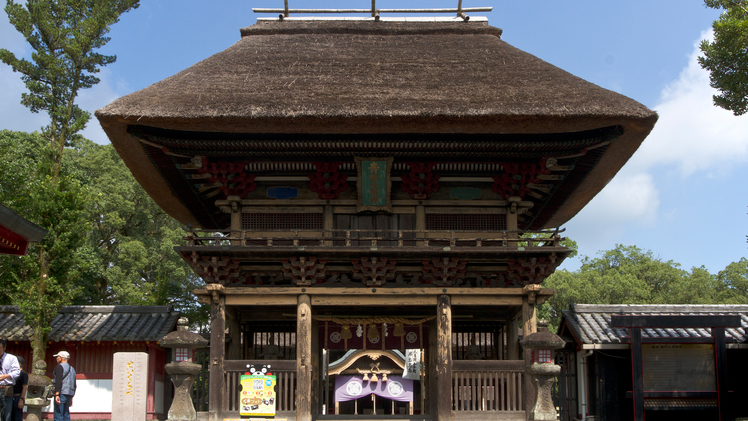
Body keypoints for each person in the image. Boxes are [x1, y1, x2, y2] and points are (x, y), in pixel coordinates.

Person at [52, 351, 76, 421]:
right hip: (69, 393)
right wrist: (72, 397)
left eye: (57, 357)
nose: (56, 358)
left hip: (61, 393)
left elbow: (58, 381)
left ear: (61, 358)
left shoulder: (59, 367)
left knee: (58, 414)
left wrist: (57, 394)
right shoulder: (72, 369)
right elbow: (74, 384)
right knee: (66, 414)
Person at [0, 339, 20, 421]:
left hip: (6, 389)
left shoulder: (11, 358)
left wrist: (6, 376)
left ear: (4, 348)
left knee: (6, 414)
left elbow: (17, 372)